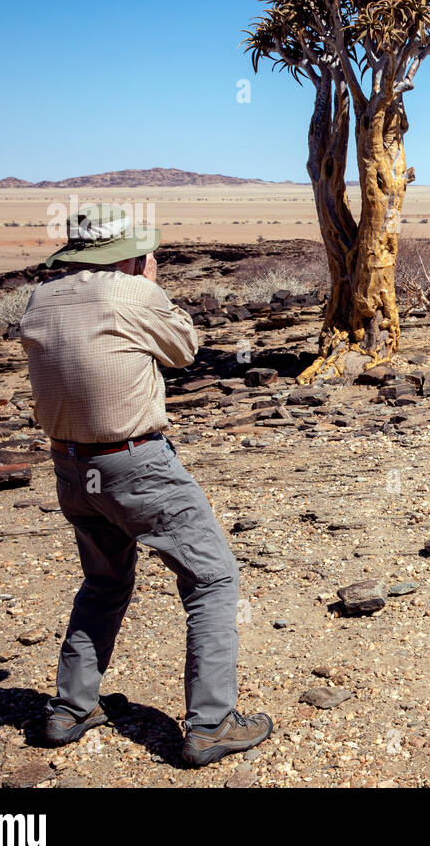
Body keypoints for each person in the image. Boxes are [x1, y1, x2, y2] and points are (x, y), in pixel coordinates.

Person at [20, 204, 271, 768]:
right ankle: (211, 724)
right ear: (129, 253)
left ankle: (71, 707)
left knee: (104, 582)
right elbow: (185, 350)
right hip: (136, 464)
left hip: (70, 467)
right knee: (211, 579)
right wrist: (152, 287)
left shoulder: (43, 296)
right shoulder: (131, 293)